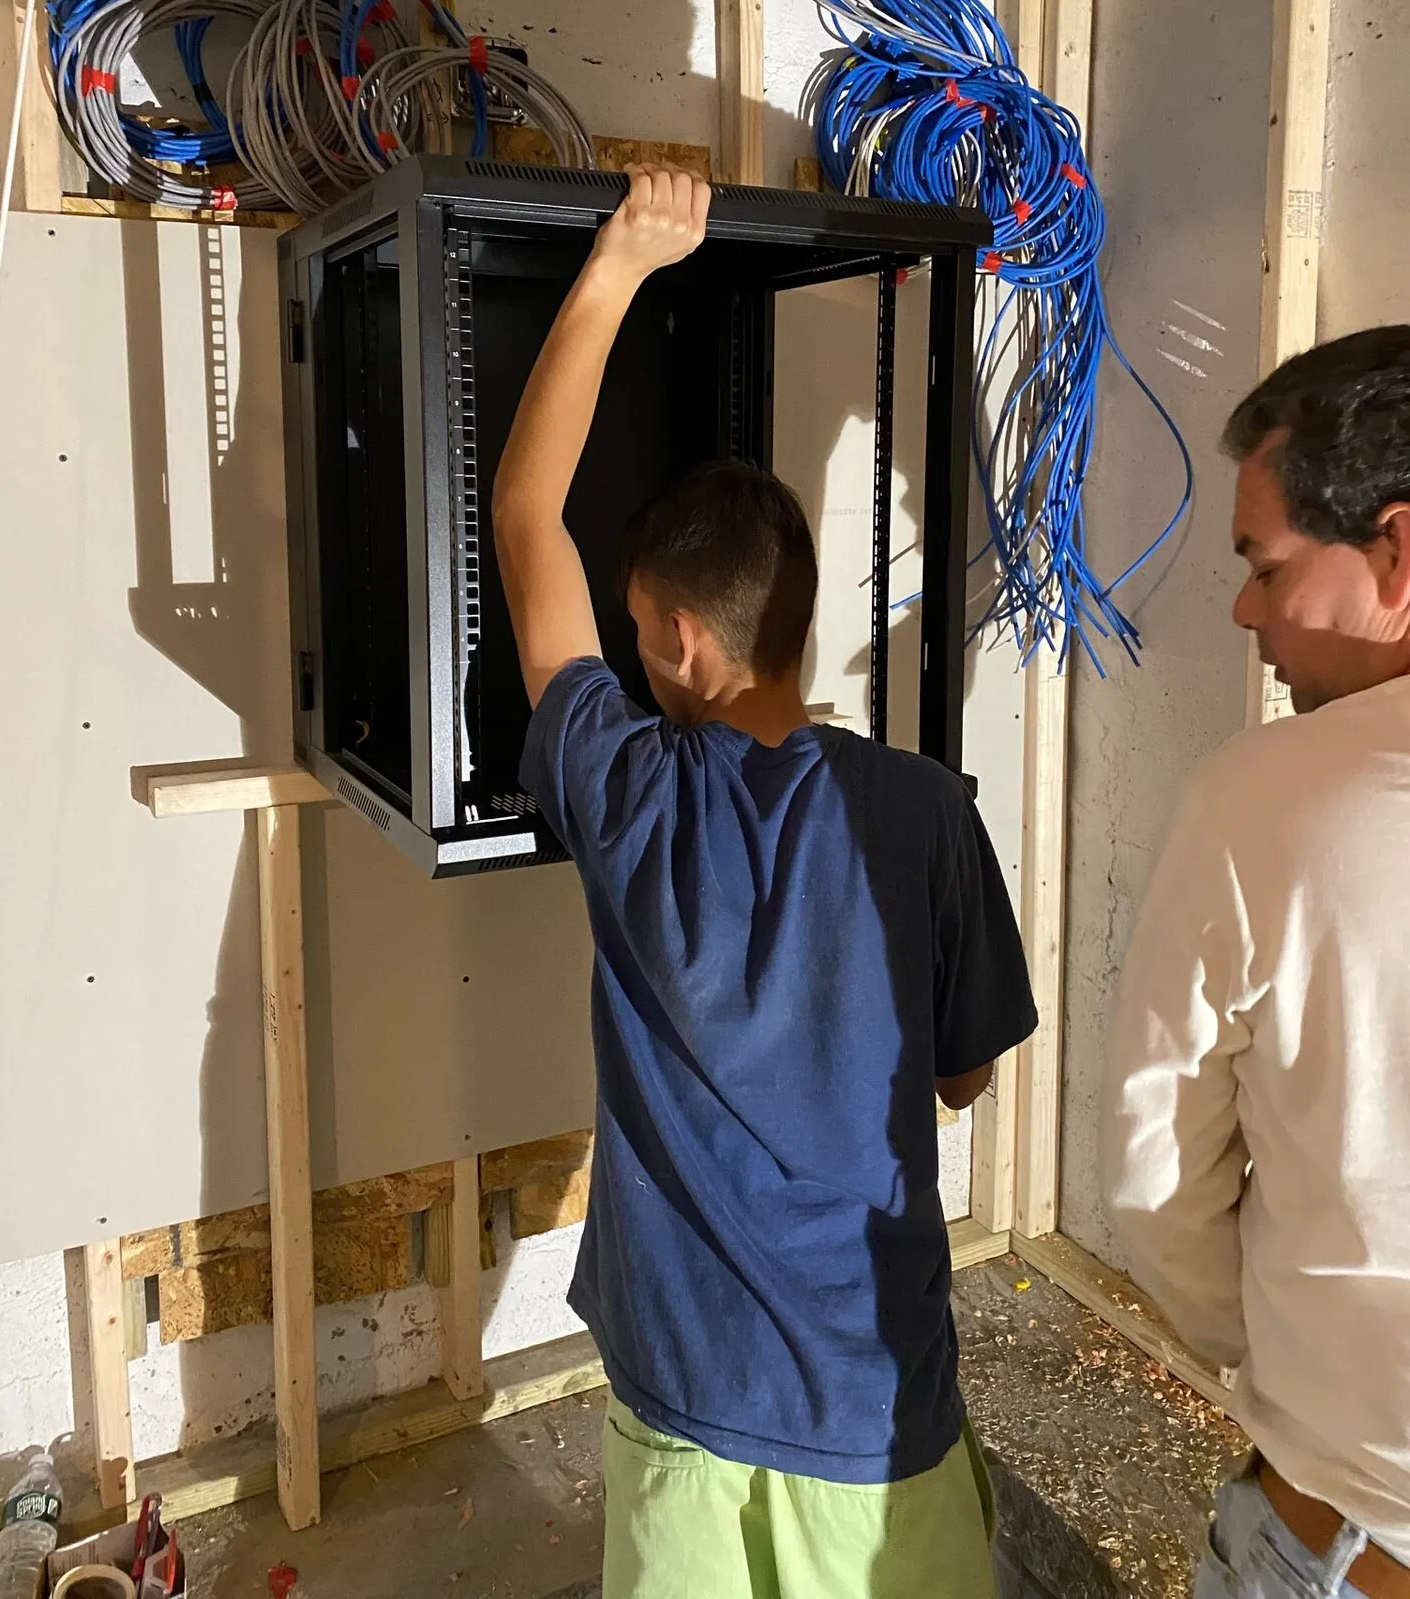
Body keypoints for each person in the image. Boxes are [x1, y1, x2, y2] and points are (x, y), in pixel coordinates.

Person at [492, 167, 1036, 1599]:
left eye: (635, 628)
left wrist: (620, 266)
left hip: (684, 1395)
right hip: (878, 1409)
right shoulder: (927, 810)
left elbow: (522, 515)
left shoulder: (629, 796)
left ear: (672, 637)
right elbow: (967, 1078)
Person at [1104, 326, 1410, 1599]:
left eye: (1265, 565)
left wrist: (1259, 1350)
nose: (1243, 610)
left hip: (1343, 1539)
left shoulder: (1261, 801)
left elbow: (1156, 1182)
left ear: (1397, 549)